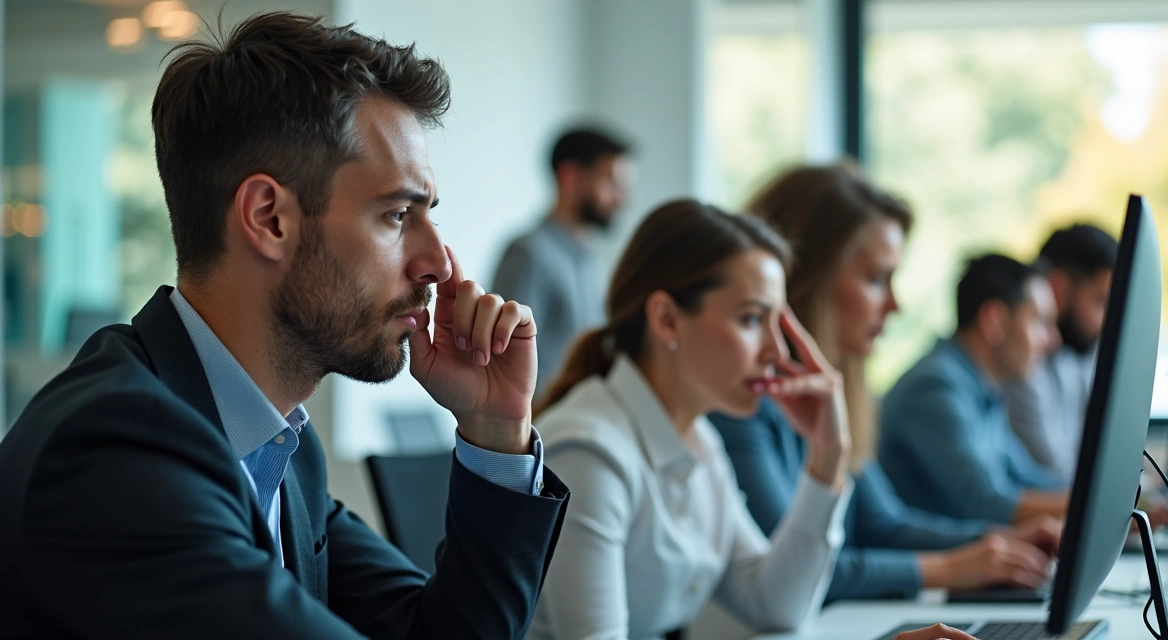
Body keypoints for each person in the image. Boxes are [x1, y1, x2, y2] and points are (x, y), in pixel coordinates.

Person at [0, 13, 570, 638]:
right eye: (397, 214)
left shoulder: (279, 450)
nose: (438, 263)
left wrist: (495, 431)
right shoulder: (114, 450)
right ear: (269, 218)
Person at [709, 164, 1060, 602]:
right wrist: (952, 566)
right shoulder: (740, 405)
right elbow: (796, 575)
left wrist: (1001, 544)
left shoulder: (849, 397)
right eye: (876, 279)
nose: (895, 304)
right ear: (803, 278)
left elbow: (881, 526)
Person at [527, 199, 854, 639]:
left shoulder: (699, 438)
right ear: (666, 319)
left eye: (779, 324)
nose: (777, 352)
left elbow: (774, 605)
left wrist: (828, 457)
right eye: (753, 318)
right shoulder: (589, 453)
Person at [879, 254, 1070, 526]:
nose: (1053, 341)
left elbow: (1029, 478)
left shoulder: (982, 390)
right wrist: (1102, 510)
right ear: (995, 322)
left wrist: (1122, 497)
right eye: (1040, 321)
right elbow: (985, 503)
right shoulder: (935, 387)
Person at [492, 127, 633, 397]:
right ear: (570, 177)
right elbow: (503, 361)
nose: (623, 198)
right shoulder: (528, 253)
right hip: (542, 429)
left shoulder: (590, 261)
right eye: (611, 183)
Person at [1004, 224, 1117, 481]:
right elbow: (1055, 472)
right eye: (1100, 302)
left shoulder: (1073, 358)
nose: (1106, 323)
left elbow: (1099, 452)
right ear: (1059, 287)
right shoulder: (1021, 364)